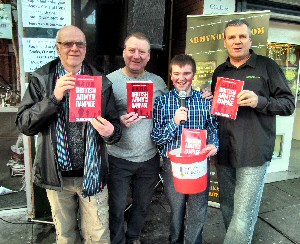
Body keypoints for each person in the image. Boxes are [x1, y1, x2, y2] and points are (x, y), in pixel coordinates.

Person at [16, 25, 122, 243]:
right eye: (68, 43)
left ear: (85, 49)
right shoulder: (42, 79)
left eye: (80, 44)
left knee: (99, 235)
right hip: (57, 176)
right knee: (65, 236)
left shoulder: (100, 82)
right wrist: (54, 98)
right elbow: (25, 124)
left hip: (92, 174)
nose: (74, 48)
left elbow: (114, 128)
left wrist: (111, 132)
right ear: (58, 48)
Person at [211, 19, 295, 244]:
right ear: (225, 41)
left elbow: (288, 104)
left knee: (243, 214)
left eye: (241, 36)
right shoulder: (220, 71)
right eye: (231, 37)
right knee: (228, 206)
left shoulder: (267, 66)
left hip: (254, 150)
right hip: (225, 149)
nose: (237, 41)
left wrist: (260, 101)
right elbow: (217, 109)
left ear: (250, 39)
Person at [106, 32, 168, 244]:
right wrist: (117, 121)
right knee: (116, 206)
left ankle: (133, 237)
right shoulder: (110, 82)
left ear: (149, 56)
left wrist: (202, 96)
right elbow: (100, 119)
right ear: (124, 52)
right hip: (117, 158)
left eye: (142, 51)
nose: (136, 55)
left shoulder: (158, 82)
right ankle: (117, 240)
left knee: (142, 205)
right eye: (131, 50)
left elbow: (170, 109)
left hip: (149, 158)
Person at [151, 54, 219, 244]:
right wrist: (174, 122)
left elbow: (213, 127)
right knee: (177, 209)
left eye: (187, 73)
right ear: (171, 75)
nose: (181, 78)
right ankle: (176, 241)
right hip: (173, 166)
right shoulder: (161, 102)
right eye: (177, 73)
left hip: (199, 163)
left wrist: (214, 144)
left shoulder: (205, 100)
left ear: (194, 75)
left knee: (198, 209)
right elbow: (156, 137)